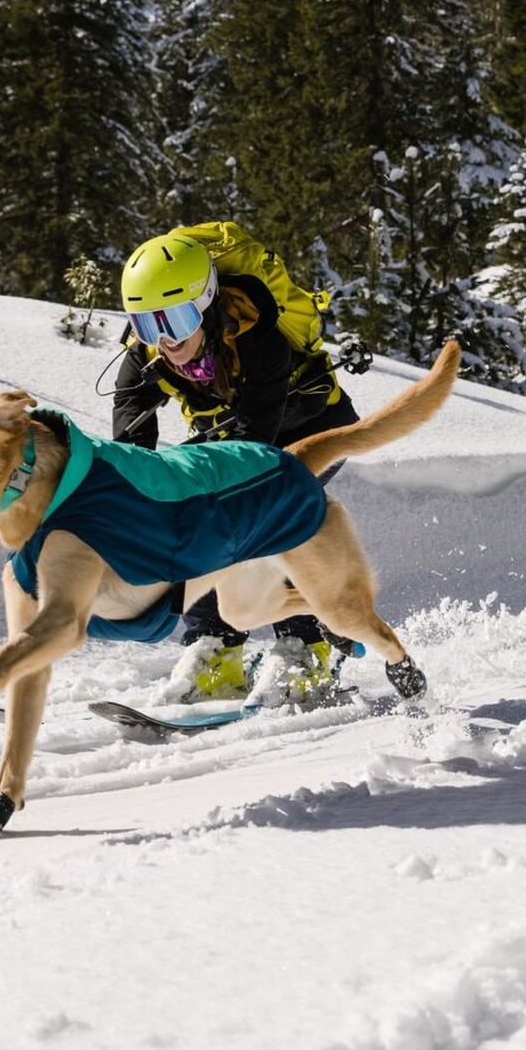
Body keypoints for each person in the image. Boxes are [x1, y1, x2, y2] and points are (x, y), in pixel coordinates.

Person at [112, 230, 360, 704]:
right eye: (147, 324)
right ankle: (216, 651)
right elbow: (131, 416)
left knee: (267, 524)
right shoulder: (147, 352)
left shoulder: (258, 338)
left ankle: (307, 649)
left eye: (177, 319)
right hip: (233, 436)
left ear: (206, 303)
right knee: (195, 522)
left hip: (312, 429)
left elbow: (253, 454)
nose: (166, 340)